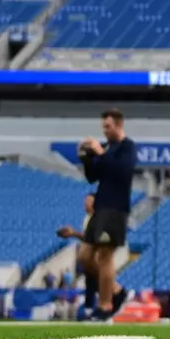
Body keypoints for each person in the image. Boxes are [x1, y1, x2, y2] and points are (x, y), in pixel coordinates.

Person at [59, 110, 135, 320]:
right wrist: (86, 158)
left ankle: (104, 307)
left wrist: (100, 152)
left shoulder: (127, 147)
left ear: (119, 125)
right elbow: (94, 177)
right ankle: (118, 292)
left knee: (104, 256)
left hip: (115, 207)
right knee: (84, 257)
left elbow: (122, 171)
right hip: (101, 208)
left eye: (108, 127)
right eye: (103, 127)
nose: (105, 130)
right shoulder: (110, 149)